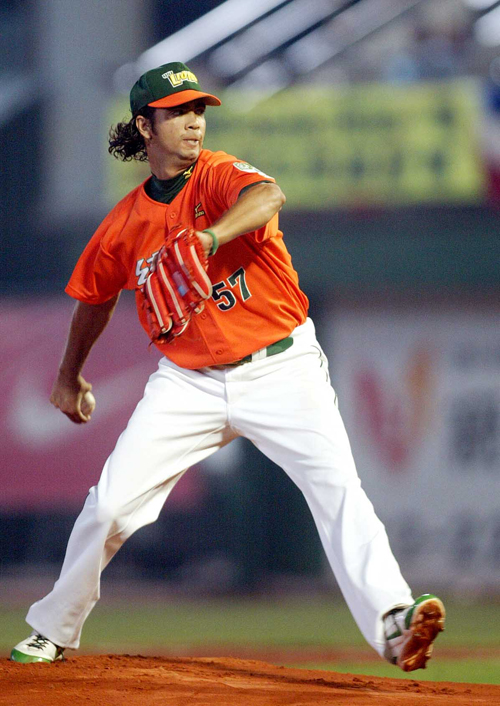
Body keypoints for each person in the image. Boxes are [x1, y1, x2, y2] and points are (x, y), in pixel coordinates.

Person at [11, 61, 445, 669]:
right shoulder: (125, 222)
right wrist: (67, 375)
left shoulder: (217, 176)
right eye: (178, 112)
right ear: (145, 124)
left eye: (198, 110)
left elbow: (270, 195)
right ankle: (54, 627)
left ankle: (395, 624)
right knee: (109, 505)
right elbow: (93, 296)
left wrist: (208, 239)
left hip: (281, 367)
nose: (193, 122)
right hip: (187, 382)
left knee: (339, 491)